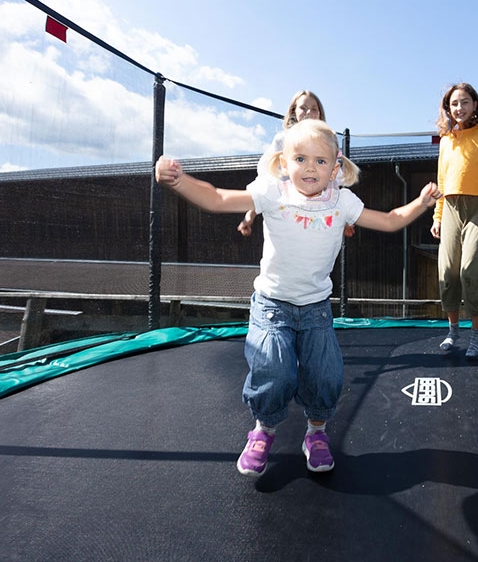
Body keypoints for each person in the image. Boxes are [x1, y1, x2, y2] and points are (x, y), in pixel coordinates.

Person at [155, 119, 442, 477]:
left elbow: (387, 221)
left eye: (321, 161)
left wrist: (420, 202)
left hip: (316, 310)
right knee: (274, 372)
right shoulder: (274, 193)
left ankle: (316, 433)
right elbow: (216, 199)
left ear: (336, 168)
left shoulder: (342, 201)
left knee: (326, 377)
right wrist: (180, 181)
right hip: (272, 306)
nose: (310, 168)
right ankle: (264, 429)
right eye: (301, 159)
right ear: (283, 163)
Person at [430, 83, 478, 359]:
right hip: (449, 207)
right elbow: (441, 182)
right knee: (447, 273)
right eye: (453, 104)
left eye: (464, 102)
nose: (459, 108)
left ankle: (476, 334)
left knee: (470, 271)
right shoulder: (446, 140)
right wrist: (437, 216)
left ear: (475, 104)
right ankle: (452, 330)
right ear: (448, 109)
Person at [238, 90, 327, 237]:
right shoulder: (283, 140)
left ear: (319, 114)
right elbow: (268, 179)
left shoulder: (326, 145)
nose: (309, 112)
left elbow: (332, 182)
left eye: (314, 108)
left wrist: (345, 219)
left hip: (314, 215)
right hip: (284, 214)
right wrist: (251, 214)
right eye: (303, 108)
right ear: (294, 111)